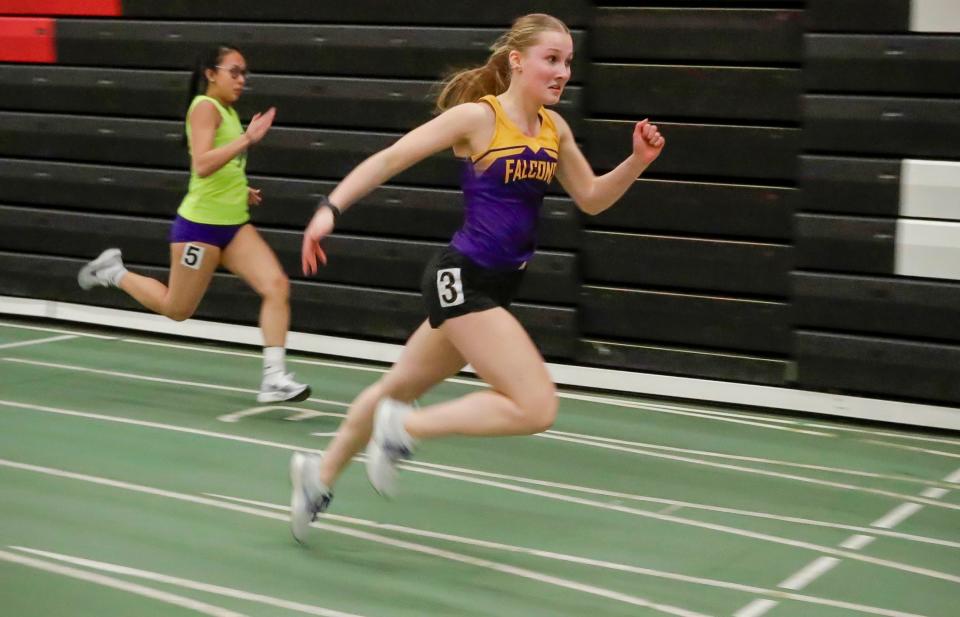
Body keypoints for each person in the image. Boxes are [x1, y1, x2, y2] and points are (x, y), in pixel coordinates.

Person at [289, 13, 664, 543]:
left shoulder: (555, 130)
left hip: (497, 287)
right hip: (461, 279)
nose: (562, 72)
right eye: (551, 60)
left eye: (568, 63)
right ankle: (405, 429)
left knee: (396, 387)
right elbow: (392, 158)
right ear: (517, 61)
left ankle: (317, 476)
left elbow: (593, 198)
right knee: (536, 406)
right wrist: (331, 207)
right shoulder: (478, 119)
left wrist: (637, 161)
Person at [77, 44, 311, 404]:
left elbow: (218, 166)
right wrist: (248, 139)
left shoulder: (229, 112)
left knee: (277, 285)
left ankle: (274, 377)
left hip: (233, 226)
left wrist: (240, 186)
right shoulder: (204, 107)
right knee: (177, 309)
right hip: (199, 230)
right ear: (210, 73)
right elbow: (202, 163)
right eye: (234, 71)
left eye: (245, 73)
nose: (241, 79)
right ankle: (114, 272)